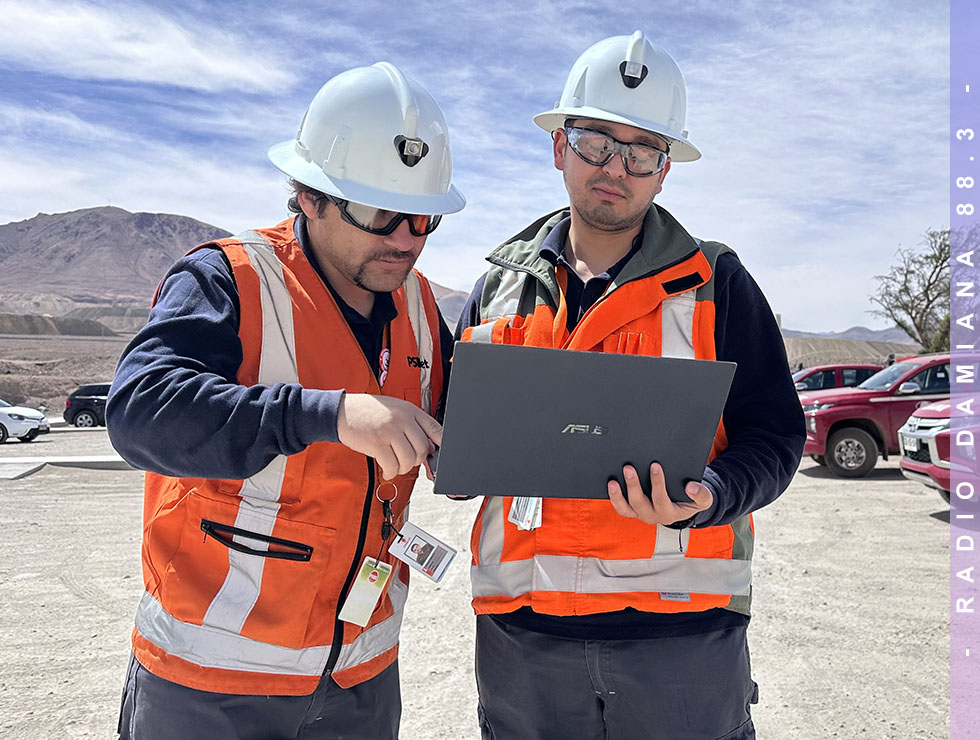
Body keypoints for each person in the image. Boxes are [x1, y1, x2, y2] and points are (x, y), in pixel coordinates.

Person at [455, 31, 804, 740]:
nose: (617, 166)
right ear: (560, 148)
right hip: (524, 635)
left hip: (681, 636)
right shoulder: (496, 289)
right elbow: (457, 430)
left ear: (665, 170)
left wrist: (710, 496)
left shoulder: (719, 284)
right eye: (595, 142)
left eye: (643, 150)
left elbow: (775, 436)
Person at [108, 62, 464, 740]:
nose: (406, 239)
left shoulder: (419, 306)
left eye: (424, 218)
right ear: (310, 196)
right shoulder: (229, 280)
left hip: (360, 682)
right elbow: (140, 412)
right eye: (381, 212)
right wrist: (326, 415)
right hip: (211, 689)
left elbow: (451, 424)